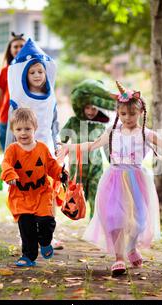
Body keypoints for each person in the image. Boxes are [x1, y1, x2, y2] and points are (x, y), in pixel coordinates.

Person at [61, 81, 162, 276]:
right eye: (123, 114)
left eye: (132, 114)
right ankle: (119, 258)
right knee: (114, 218)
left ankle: (131, 247)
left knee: (138, 221)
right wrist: (68, 148)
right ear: (118, 113)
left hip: (136, 179)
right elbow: (91, 145)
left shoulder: (146, 134)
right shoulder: (112, 131)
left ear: (141, 113)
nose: (127, 118)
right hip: (113, 179)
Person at [4, 38, 64, 249]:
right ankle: (25, 235)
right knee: (24, 193)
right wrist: (8, 158)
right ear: (24, 75)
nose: (37, 75)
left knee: (48, 190)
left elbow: (54, 123)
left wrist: (58, 145)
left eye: (40, 71)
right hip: (22, 153)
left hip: (45, 149)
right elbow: (12, 130)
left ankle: (49, 234)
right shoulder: (19, 99)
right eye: (32, 72)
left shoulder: (50, 98)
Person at [0, 108, 68, 267]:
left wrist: (60, 173)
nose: (23, 133)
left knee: (46, 221)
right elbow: (6, 165)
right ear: (13, 131)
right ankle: (29, 256)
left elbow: (51, 166)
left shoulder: (42, 148)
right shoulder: (12, 150)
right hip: (21, 195)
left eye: (27, 129)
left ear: (35, 128)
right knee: (26, 227)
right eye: (18, 129)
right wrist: (10, 175)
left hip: (41, 192)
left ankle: (45, 242)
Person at [60, 79, 116, 219]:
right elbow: (62, 139)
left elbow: (106, 146)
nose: (91, 111)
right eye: (88, 108)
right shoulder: (73, 122)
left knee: (95, 196)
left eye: (94, 108)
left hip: (95, 167)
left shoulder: (100, 126)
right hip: (77, 167)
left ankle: (94, 223)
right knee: (76, 195)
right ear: (82, 108)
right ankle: (75, 212)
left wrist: (113, 161)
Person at [0, 32, 25, 151]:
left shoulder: (33, 70)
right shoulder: (5, 71)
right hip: (5, 118)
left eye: (22, 46)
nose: (19, 49)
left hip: (25, 118)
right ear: (10, 50)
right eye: (15, 46)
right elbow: (0, 96)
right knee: (8, 154)